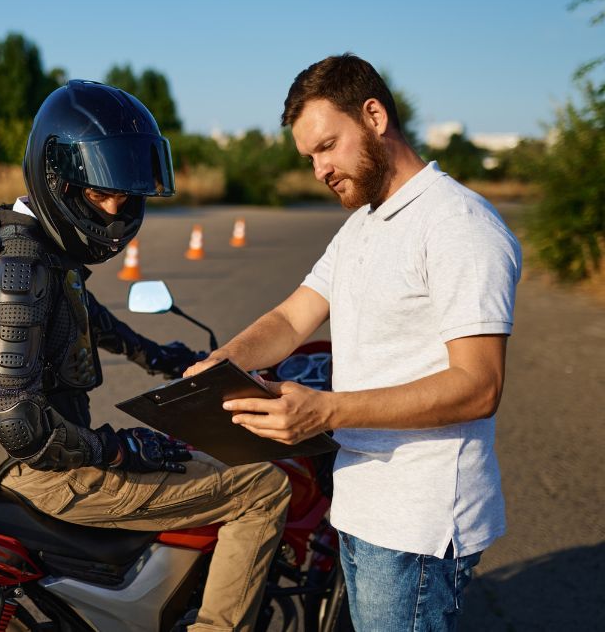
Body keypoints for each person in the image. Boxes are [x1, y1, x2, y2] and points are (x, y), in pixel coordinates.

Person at [185, 54, 522, 631]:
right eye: (309, 156)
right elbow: (293, 319)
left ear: (374, 116)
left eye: (327, 146)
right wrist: (222, 363)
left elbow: (479, 385)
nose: (319, 169)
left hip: (421, 520)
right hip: (362, 502)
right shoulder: (364, 224)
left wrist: (326, 410)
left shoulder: (458, 224)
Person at [0, 79, 291, 632]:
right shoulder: (22, 266)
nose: (115, 208)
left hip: (50, 460)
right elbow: (17, 423)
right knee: (263, 487)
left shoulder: (30, 248)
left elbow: (84, 312)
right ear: (58, 179)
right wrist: (116, 450)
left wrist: (161, 357)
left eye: (122, 193)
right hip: (48, 473)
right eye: (98, 193)